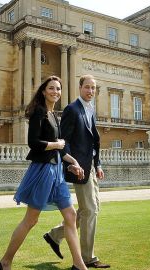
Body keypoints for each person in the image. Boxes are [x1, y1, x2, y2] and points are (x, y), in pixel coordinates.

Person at [0, 76, 88, 270]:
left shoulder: (55, 115)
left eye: (58, 89)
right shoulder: (39, 113)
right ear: (44, 91)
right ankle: (5, 261)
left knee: (70, 215)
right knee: (31, 220)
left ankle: (79, 265)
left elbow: (60, 150)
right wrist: (57, 144)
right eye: (52, 88)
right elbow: (34, 143)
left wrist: (73, 162)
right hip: (43, 171)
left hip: (57, 172)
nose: (55, 91)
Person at [43, 75, 110, 268]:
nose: (90, 91)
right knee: (90, 210)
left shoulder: (90, 110)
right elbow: (65, 141)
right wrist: (72, 163)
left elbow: (93, 142)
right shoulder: (72, 109)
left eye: (93, 88)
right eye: (87, 87)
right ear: (80, 88)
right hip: (79, 167)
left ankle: (54, 235)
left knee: (88, 210)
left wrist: (98, 164)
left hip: (91, 166)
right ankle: (87, 258)